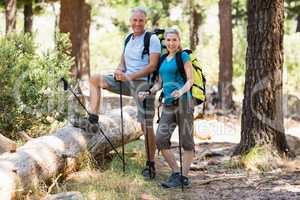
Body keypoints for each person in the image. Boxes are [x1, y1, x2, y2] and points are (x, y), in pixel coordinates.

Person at [74, 7, 161, 179]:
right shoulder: (128, 38)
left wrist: (129, 75)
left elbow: (152, 66)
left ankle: (150, 165)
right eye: (134, 20)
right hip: (126, 80)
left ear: (146, 21)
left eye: (140, 20)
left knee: (146, 124)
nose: (137, 23)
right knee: (95, 79)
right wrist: (118, 72)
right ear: (130, 21)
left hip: (144, 84)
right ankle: (92, 119)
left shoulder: (152, 39)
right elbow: (122, 62)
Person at [139, 28, 194, 188]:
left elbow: (190, 80)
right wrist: (148, 92)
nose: (171, 43)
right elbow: (160, 83)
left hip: (184, 102)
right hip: (168, 104)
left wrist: (181, 91)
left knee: (187, 142)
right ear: (165, 42)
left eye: (174, 40)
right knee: (160, 140)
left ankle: (184, 177)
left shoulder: (183, 56)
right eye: (168, 40)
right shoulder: (163, 59)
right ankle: (176, 173)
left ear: (179, 41)